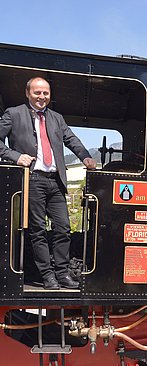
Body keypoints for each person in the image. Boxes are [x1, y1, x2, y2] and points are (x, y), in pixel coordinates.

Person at [0, 77, 96, 289]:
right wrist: (15, 156)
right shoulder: (14, 114)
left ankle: (62, 274)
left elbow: (72, 140)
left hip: (56, 181)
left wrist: (85, 157)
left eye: (45, 93)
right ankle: (47, 276)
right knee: (38, 230)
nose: (42, 97)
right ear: (28, 93)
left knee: (63, 228)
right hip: (33, 179)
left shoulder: (57, 118)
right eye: (37, 93)